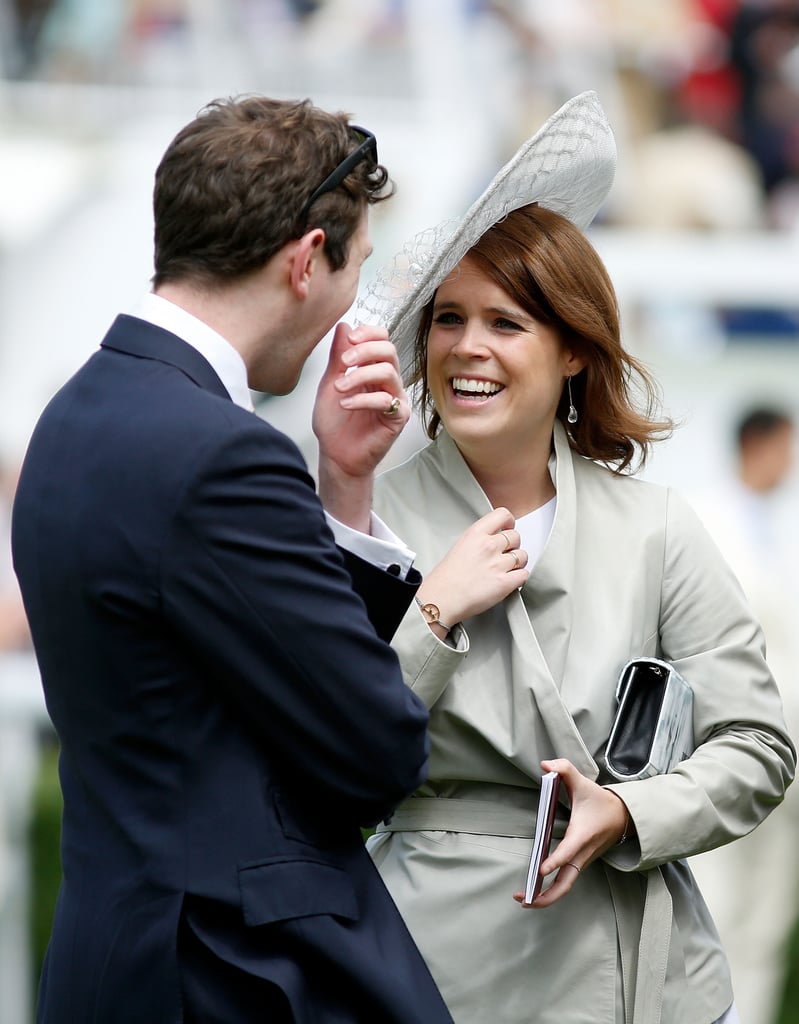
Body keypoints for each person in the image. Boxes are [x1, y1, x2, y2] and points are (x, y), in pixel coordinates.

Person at [11, 95, 454, 1023]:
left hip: (110, 956)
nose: (347, 310)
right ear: (304, 262)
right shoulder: (220, 451)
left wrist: (343, 485)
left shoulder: (75, 416)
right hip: (231, 973)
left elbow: (229, 681)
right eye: (354, 268)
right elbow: (372, 750)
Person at [355, 91, 796, 1024]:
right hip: (420, 954)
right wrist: (431, 618)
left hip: (621, 957)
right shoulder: (370, 517)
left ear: (571, 351)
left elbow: (758, 746)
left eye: (507, 323)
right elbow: (325, 757)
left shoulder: (656, 526)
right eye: (448, 318)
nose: (468, 347)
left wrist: (630, 814)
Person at [689, 405, 799, 1024]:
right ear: (760, 446)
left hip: (788, 766)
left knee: (769, 917)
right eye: (788, 448)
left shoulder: (782, 531)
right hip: (722, 751)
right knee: (719, 904)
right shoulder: (707, 520)